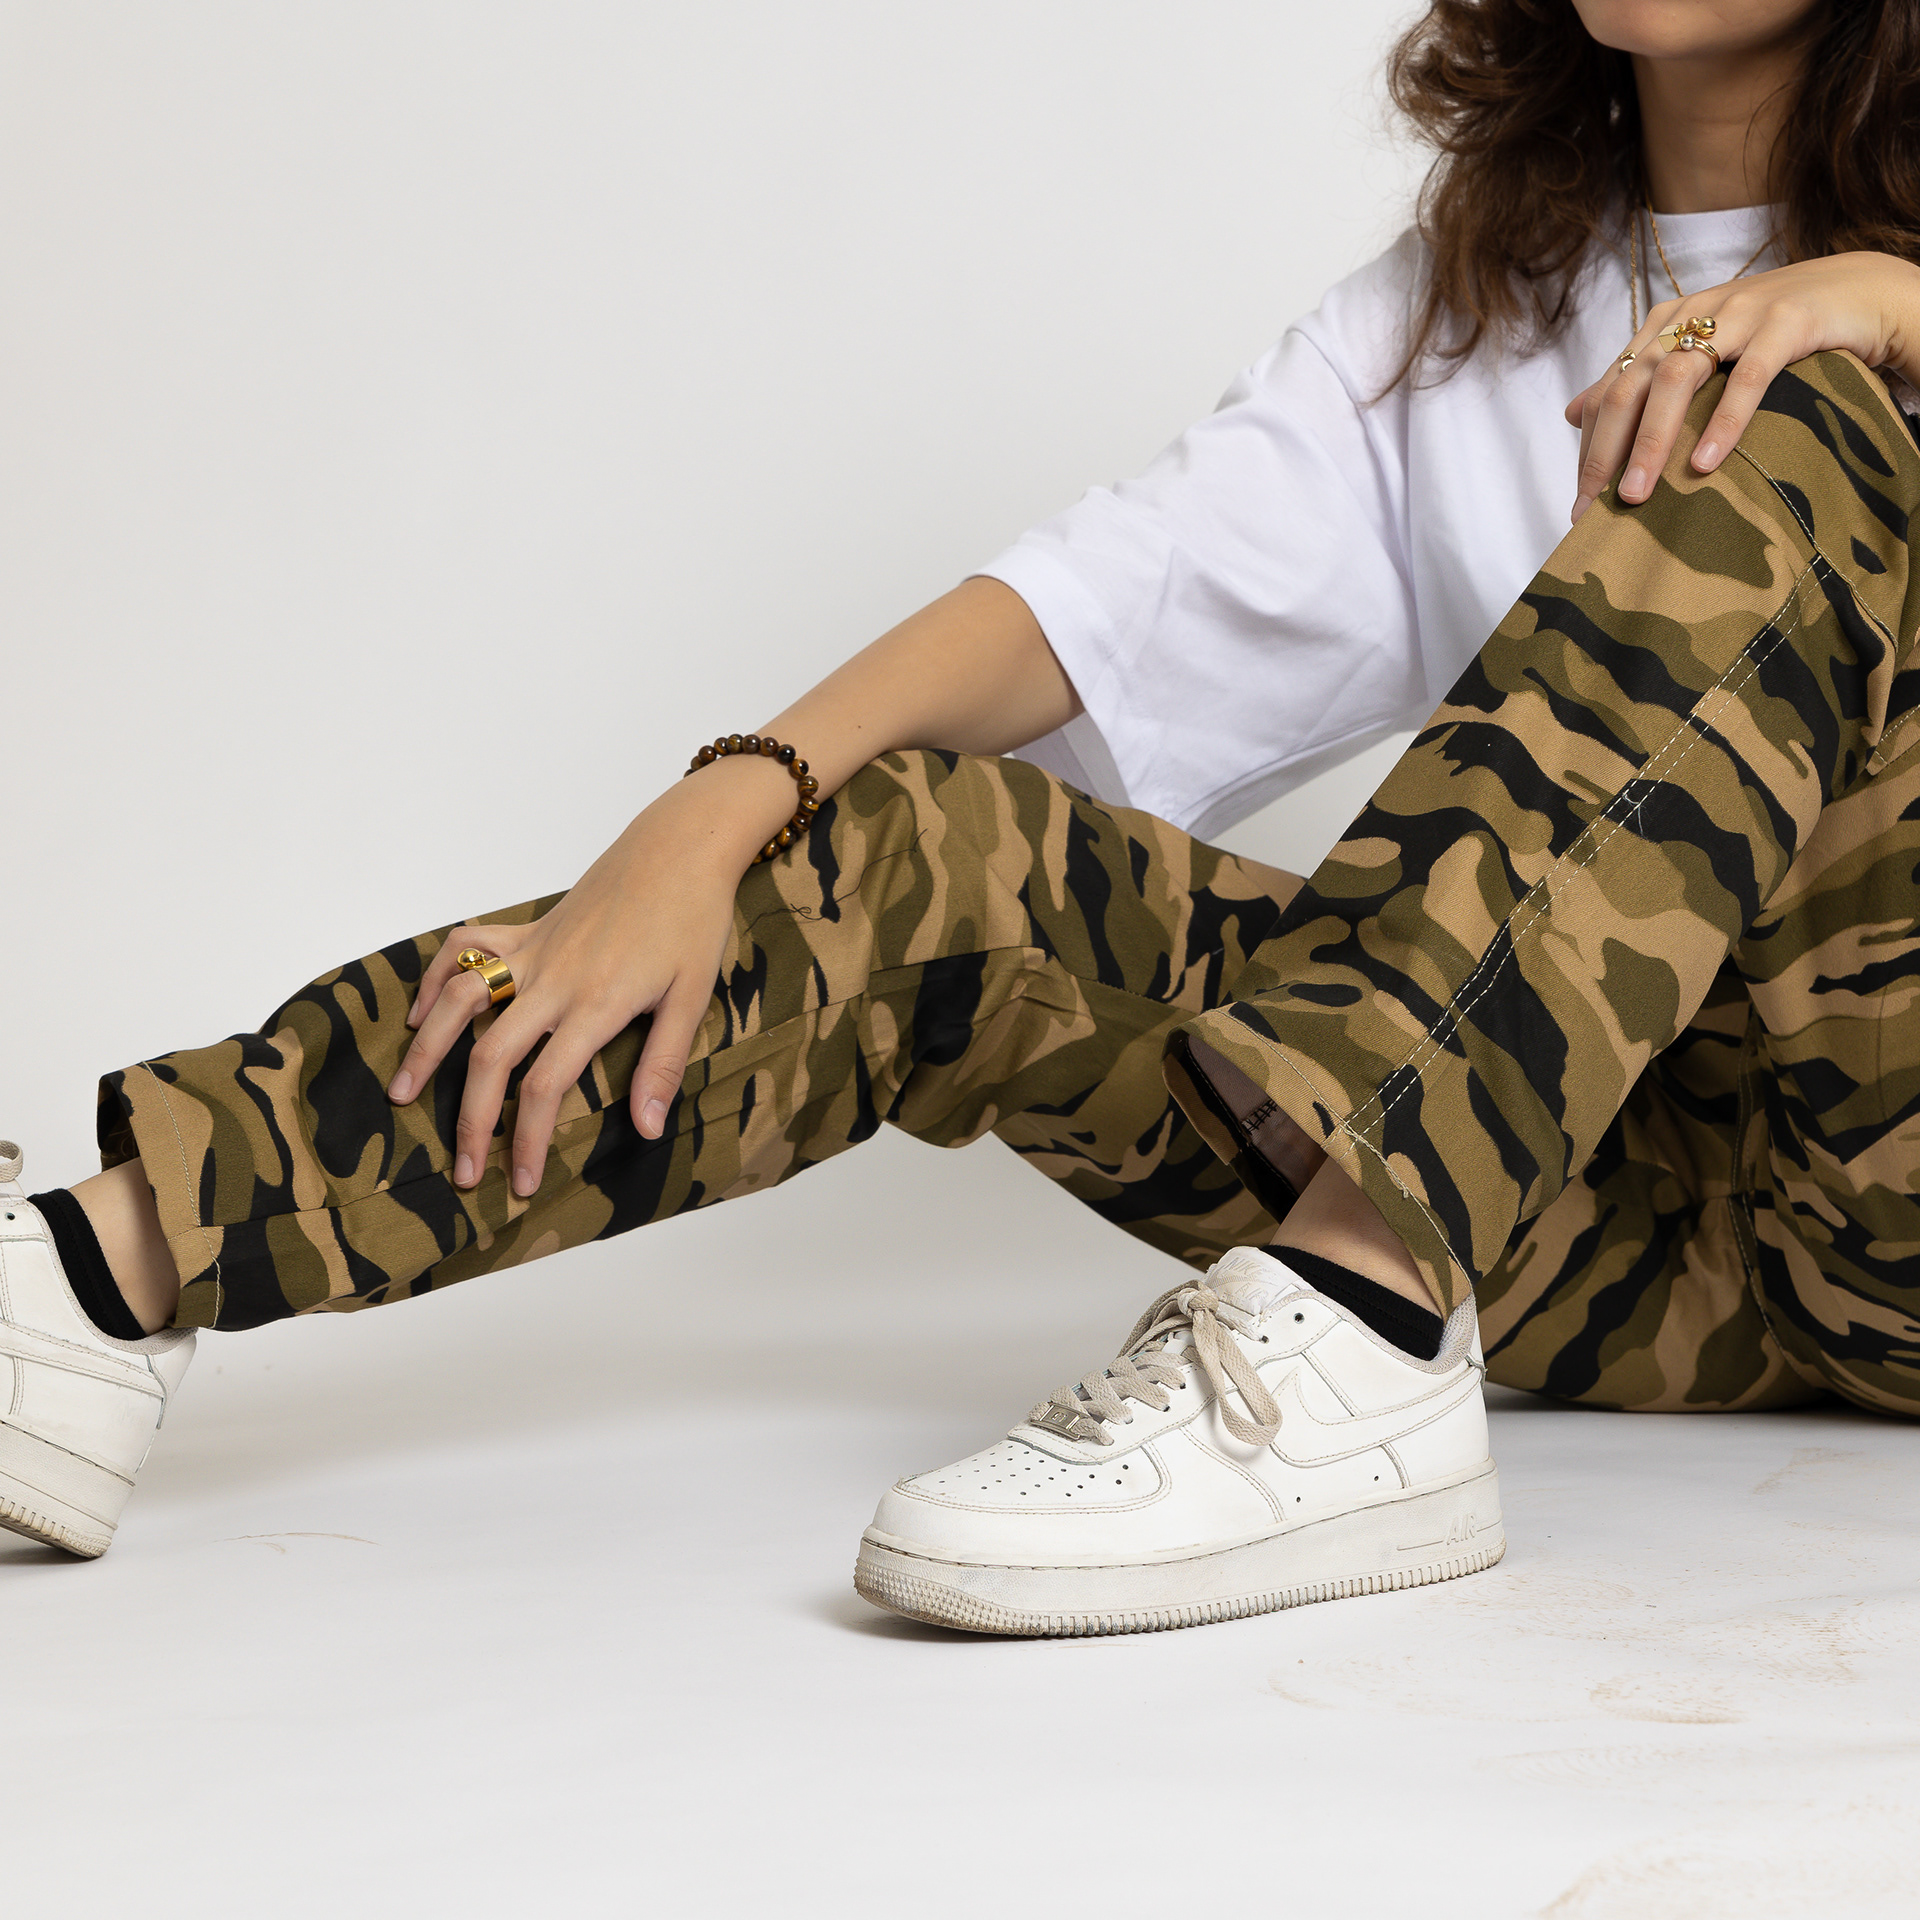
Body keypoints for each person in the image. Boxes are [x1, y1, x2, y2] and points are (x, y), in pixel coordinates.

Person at [7, 0, 1920, 1636]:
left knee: (1785, 407)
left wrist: (1894, 305)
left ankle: (1358, 1330)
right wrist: (723, 806)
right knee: (931, 842)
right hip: (1611, 1221)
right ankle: (92, 1283)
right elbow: (1116, 602)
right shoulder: (1488, 297)